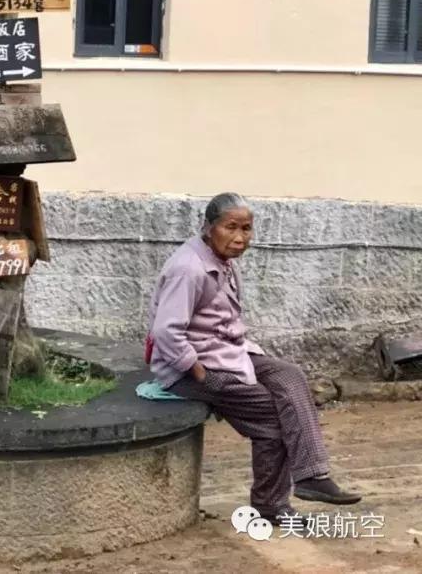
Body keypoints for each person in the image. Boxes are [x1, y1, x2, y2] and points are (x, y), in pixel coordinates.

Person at [147, 192, 360, 525]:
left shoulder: (223, 262)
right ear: (208, 227)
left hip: (229, 354)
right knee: (275, 417)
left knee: (290, 376)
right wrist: (202, 374)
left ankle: (311, 477)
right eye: (231, 227)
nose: (240, 237)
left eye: (246, 229)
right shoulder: (189, 269)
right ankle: (272, 505)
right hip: (190, 369)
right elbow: (166, 334)